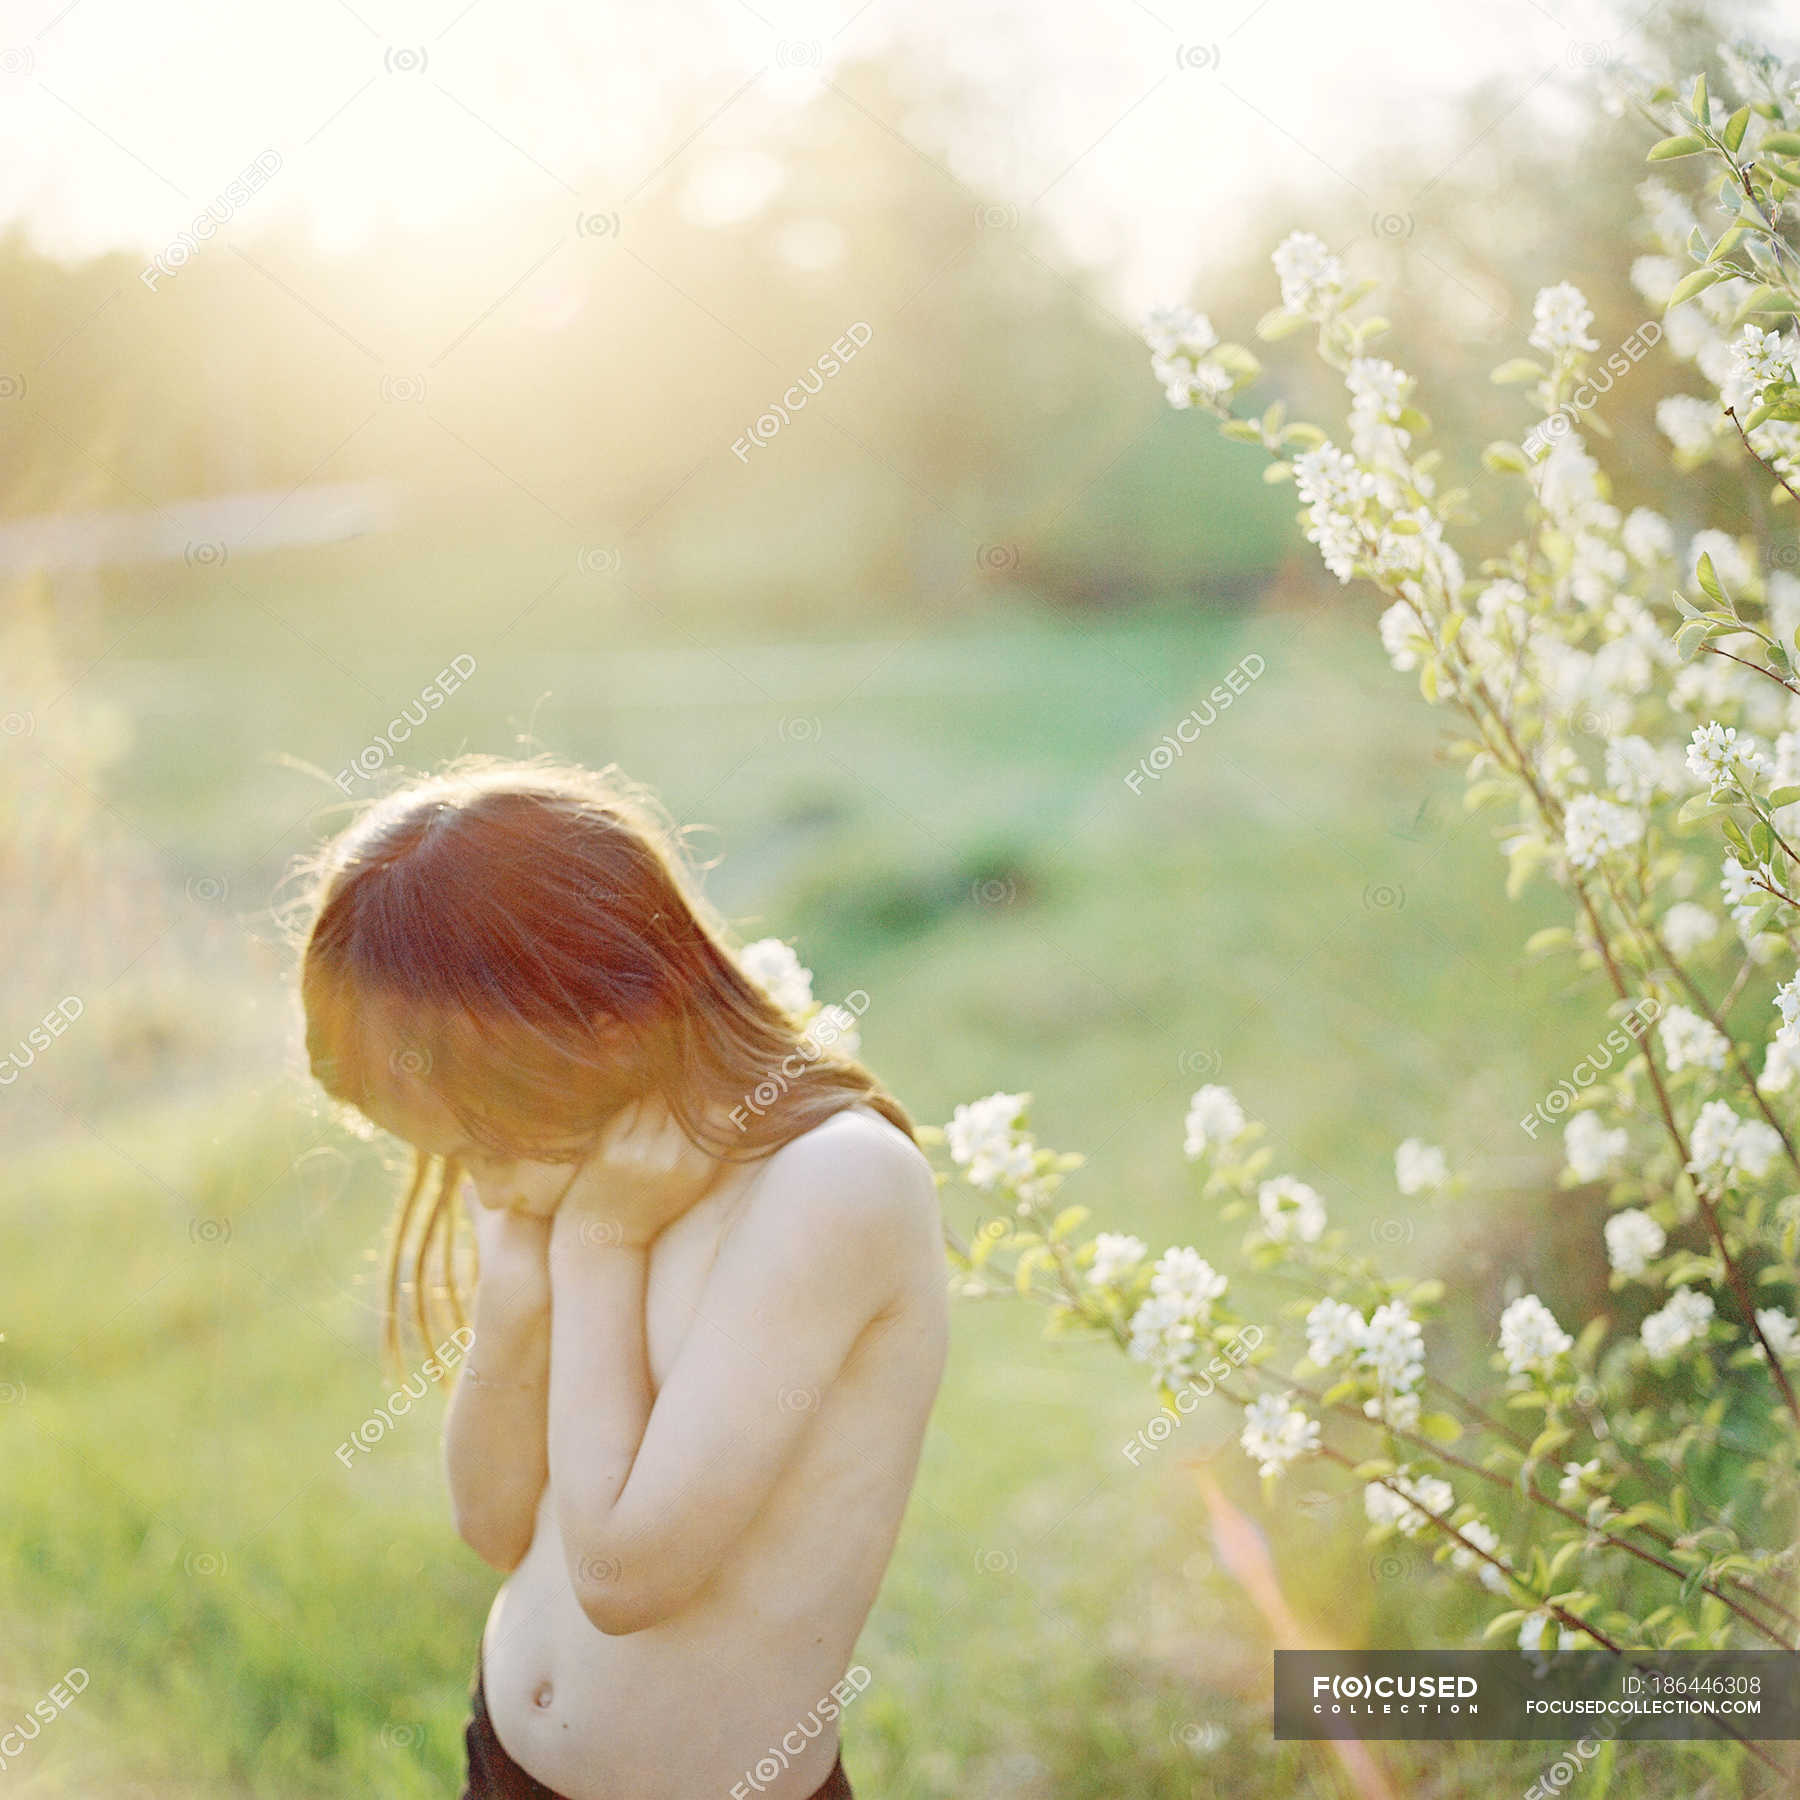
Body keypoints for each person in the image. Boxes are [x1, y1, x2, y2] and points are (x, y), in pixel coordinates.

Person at [297, 756, 949, 1799]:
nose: (490, 1196)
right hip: (501, 1757)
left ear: (604, 1030)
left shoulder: (833, 1185)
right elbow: (491, 1523)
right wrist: (515, 1300)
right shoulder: (564, 1153)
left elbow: (625, 1576)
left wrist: (599, 1247)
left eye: (482, 1148)